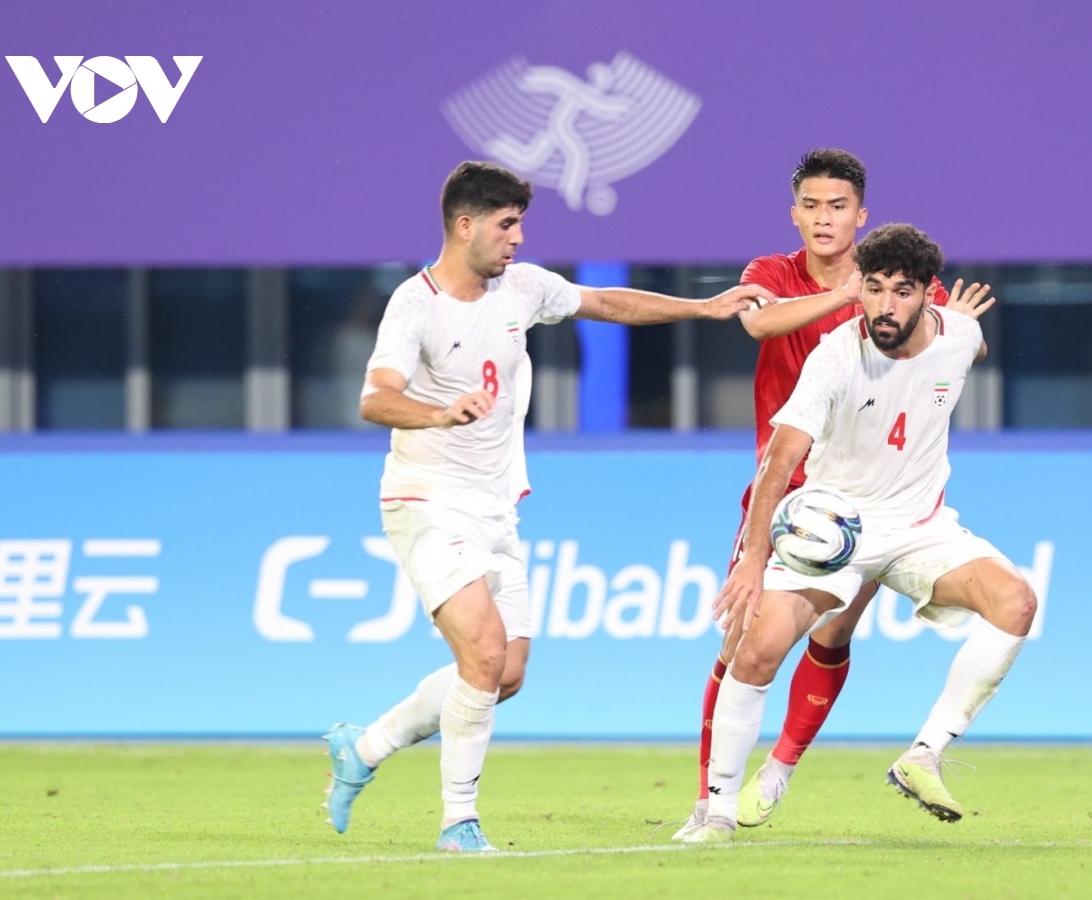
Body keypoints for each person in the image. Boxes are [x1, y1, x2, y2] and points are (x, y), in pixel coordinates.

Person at [320, 160, 762, 853]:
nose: (519, 238)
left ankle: (366, 746)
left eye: (520, 224)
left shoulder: (522, 287)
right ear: (465, 225)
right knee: (482, 653)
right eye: (507, 225)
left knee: (505, 674)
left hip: (496, 509)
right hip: (427, 500)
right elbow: (375, 398)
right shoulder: (415, 304)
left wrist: (703, 309)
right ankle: (458, 823)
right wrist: (439, 413)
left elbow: (606, 303)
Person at [672, 149, 993, 838]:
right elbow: (759, 323)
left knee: (836, 630)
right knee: (743, 642)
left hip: (868, 497)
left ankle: (778, 770)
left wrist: (966, 329)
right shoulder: (773, 274)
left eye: (838, 206)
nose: (824, 218)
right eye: (812, 206)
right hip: (787, 489)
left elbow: (953, 342)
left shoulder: (893, 281)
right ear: (794, 213)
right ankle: (708, 800)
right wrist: (848, 294)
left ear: (860, 215)